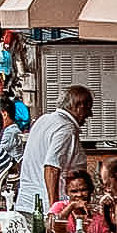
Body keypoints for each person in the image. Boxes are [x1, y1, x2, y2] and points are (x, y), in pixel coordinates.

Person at [16, 85, 92, 215]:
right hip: (44, 207)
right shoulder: (67, 129)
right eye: (88, 108)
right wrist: (54, 210)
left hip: (27, 203)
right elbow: (51, 167)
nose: (90, 114)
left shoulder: (44, 120)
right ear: (79, 106)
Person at [47, 169, 107, 233]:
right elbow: (50, 230)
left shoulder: (98, 217)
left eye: (83, 190)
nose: (79, 195)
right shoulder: (59, 206)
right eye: (74, 191)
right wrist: (71, 207)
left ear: (90, 190)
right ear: (67, 192)